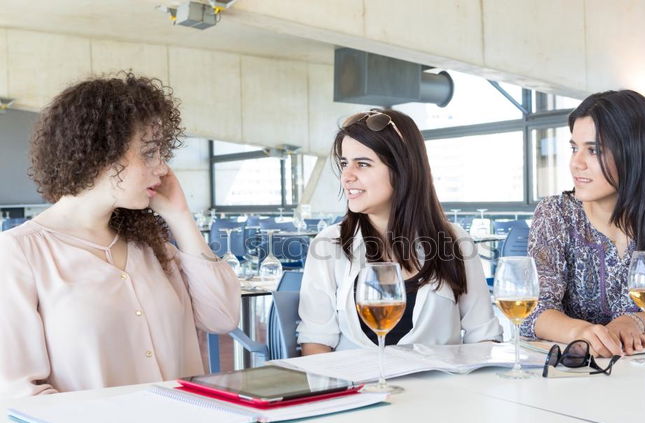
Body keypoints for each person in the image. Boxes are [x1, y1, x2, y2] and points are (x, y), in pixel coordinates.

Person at [0, 73, 241, 398]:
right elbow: (20, 393)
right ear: (101, 153)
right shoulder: (20, 254)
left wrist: (180, 217)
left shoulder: (152, 246)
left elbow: (223, 317)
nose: (163, 168)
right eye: (150, 153)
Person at [298, 109, 502, 354]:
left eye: (362, 164)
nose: (346, 176)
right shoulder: (329, 244)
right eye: (344, 163)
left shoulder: (454, 242)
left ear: (402, 168)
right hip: (357, 388)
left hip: (440, 389)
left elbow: (483, 335)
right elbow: (316, 340)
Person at [522, 89, 645, 356]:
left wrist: (634, 321)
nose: (576, 163)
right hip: (584, 373)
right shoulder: (555, 214)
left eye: (593, 150)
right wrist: (580, 332)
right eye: (574, 148)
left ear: (635, 153)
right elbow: (533, 309)